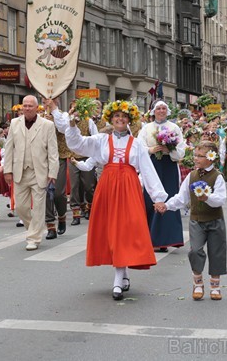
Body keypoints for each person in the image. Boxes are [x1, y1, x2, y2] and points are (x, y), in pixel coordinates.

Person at [63, 99, 168, 300]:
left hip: (129, 188)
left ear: (129, 120)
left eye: (124, 117)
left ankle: (118, 280)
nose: (120, 119)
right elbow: (77, 144)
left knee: (126, 230)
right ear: (111, 119)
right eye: (117, 116)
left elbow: (147, 170)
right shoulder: (101, 140)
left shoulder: (136, 144)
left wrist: (159, 197)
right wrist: (72, 124)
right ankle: (122, 274)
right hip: (108, 187)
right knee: (112, 230)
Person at [156, 141, 227, 300]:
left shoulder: (217, 177)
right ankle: (198, 283)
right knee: (195, 250)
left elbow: (221, 199)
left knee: (217, 252)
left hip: (215, 220)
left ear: (211, 157)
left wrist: (207, 197)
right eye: (195, 155)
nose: (196, 159)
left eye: (200, 156)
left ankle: (215, 286)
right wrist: (166, 206)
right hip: (196, 220)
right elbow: (181, 198)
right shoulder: (191, 176)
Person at [3, 95, 58, 251]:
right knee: (21, 207)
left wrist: (52, 172)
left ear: (36, 108)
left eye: (29, 106)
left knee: (39, 207)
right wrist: (7, 170)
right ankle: (36, 228)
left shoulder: (47, 125)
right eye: (24, 106)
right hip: (19, 171)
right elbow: (9, 149)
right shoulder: (14, 123)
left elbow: (53, 151)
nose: (26, 108)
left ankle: (33, 238)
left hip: (39, 172)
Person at [138, 100, 186, 251]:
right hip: (152, 165)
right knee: (150, 198)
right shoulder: (146, 128)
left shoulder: (174, 127)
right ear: (153, 111)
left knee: (169, 197)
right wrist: (151, 150)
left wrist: (169, 150)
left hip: (168, 166)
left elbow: (181, 149)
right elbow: (139, 147)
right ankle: (151, 238)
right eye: (158, 108)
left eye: (164, 108)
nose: (161, 111)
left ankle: (167, 239)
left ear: (167, 111)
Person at [47, 98, 99, 230]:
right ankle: (75, 214)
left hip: (86, 156)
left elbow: (96, 138)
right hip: (70, 157)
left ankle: (89, 207)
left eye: (77, 110)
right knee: (74, 185)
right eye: (73, 109)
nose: (75, 112)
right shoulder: (57, 119)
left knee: (88, 186)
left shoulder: (88, 122)